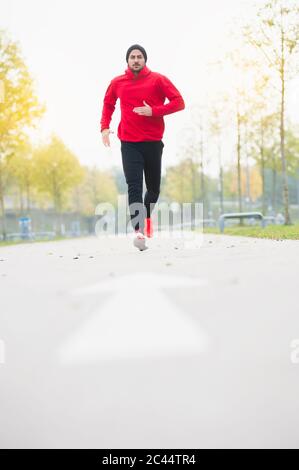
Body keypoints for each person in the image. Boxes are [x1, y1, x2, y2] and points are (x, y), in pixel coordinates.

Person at [100, 44, 185, 250]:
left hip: (153, 142)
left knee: (154, 189)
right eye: (132, 57)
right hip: (129, 143)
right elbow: (108, 104)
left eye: (139, 57)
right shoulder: (117, 82)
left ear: (145, 60)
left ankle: (146, 217)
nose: (136, 60)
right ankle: (138, 231)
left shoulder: (158, 80)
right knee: (134, 186)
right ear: (127, 61)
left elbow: (179, 102)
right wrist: (104, 127)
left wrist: (153, 111)